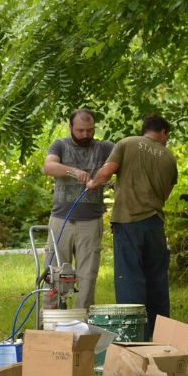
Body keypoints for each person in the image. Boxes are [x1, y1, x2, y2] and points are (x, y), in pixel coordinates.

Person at [86, 113, 177, 340]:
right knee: (157, 281)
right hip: (155, 224)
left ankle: (133, 338)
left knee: (130, 280)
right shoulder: (169, 158)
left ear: (145, 129)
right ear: (163, 133)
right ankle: (159, 338)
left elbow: (107, 172)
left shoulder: (127, 143)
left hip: (128, 223)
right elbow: (165, 194)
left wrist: (92, 183)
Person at [42, 109, 114, 310]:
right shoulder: (60, 145)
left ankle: (81, 325)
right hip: (60, 220)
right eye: (80, 130)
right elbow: (49, 167)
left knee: (87, 276)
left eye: (90, 130)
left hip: (91, 222)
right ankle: (49, 323)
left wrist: (101, 178)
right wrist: (72, 171)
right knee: (54, 274)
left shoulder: (104, 148)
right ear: (70, 127)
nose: (85, 135)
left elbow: (121, 162)